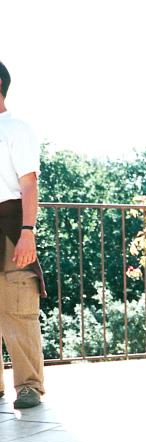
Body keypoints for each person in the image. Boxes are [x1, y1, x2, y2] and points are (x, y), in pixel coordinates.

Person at [0, 60, 46, 410]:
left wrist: (28, 231)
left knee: (19, 306)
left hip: (11, 224)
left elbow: (29, 185)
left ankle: (29, 385)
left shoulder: (16, 129)